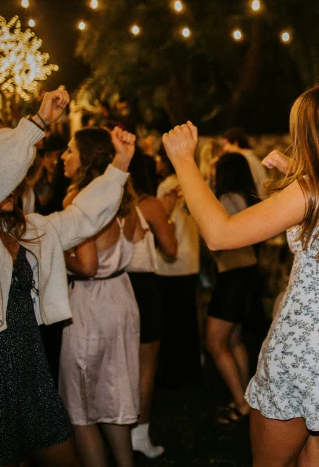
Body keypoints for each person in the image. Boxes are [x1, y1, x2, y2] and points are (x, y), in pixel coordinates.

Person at [161, 83, 319, 466]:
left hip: (303, 358)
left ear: (311, 136)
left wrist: (183, 163)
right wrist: (295, 170)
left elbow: (220, 234)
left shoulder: (309, 193)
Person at [0, 88, 133, 466]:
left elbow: (81, 218)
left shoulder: (25, 229)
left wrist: (120, 166)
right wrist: (38, 123)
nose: (14, 184)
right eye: (6, 179)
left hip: (29, 362)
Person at [58, 126, 140, 467]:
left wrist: (50, 250)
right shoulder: (127, 200)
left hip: (90, 304)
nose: (63, 156)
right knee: (114, 390)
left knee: (81, 404)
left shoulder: (80, 200)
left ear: (86, 157)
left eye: (69, 150)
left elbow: (88, 265)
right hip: (121, 296)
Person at [205, 151, 267, 426]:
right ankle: (246, 399)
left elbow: (215, 238)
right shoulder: (246, 197)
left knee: (214, 341)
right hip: (247, 272)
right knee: (234, 340)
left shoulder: (228, 200)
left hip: (233, 277)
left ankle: (241, 404)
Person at [126, 150, 178, 459]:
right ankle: (139, 434)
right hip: (142, 287)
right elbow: (171, 248)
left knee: (118, 364)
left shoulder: (103, 201)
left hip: (112, 284)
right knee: (145, 364)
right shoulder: (149, 204)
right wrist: (167, 214)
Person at [155, 149, 203, 388]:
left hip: (169, 263)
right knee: (187, 320)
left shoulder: (166, 187)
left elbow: (160, 225)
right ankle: (192, 369)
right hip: (190, 258)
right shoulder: (193, 184)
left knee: (171, 320)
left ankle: (173, 373)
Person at [222, 126, 268, 200]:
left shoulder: (245, 159)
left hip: (258, 202)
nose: (225, 148)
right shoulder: (250, 157)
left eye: (226, 143)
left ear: (235, 142)